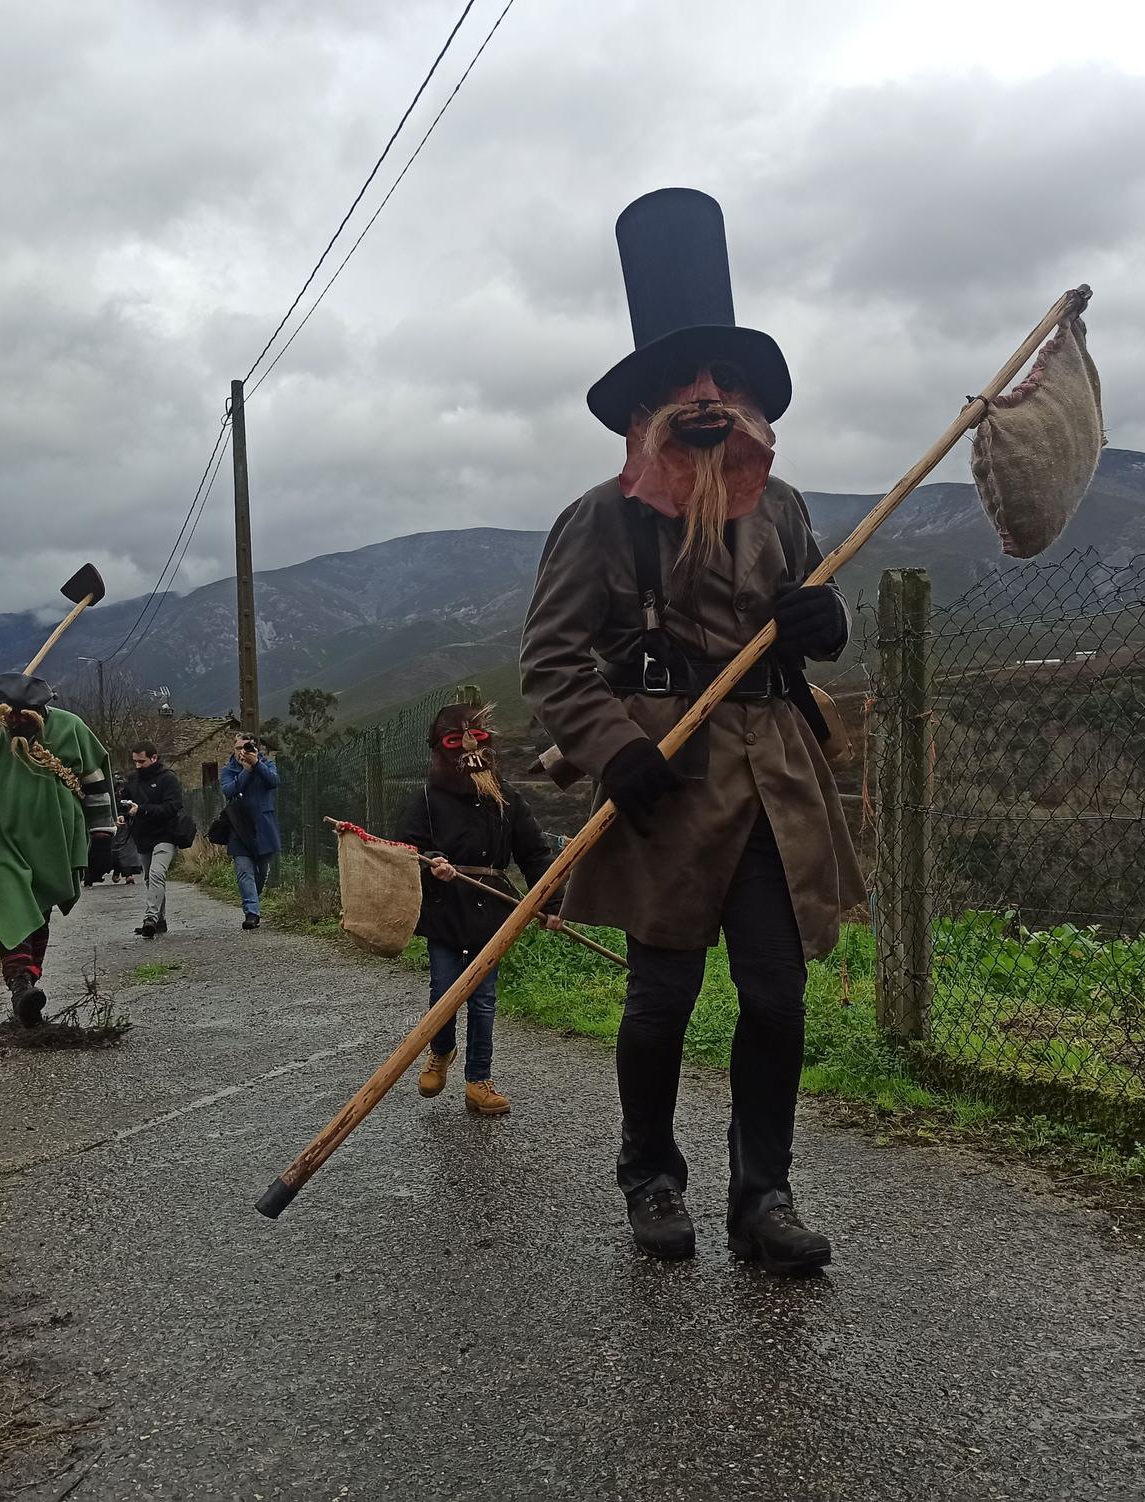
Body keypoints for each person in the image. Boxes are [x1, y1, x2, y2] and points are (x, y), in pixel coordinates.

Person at [520, 188, 864, 1275]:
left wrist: (823, 621)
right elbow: (553, 661)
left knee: (773, 990)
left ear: (752, 398)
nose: (708, 394)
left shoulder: (785, 507)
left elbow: (803, 622)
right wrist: (609, 744)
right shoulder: (602, 517)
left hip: (774, 781)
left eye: (725, 379)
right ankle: (648, 1173)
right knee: (661, 994)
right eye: (685, 381)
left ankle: (761, 1195)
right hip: (662, 781)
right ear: (650, 408)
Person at [396, 702, 562, 1117]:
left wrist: (552, 903)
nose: (470, 746)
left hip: (491, 911)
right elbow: (407, 848)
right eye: (456, 740)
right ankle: (441, 1050)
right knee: (444, 991)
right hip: (445, 909)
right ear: (441, 748)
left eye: (479, 738)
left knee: (483, 998)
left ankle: (478, 1081)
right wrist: (432, 860)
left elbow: (536, 853)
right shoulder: (428, 799)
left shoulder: (505, 797)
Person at [0, 673, 116, 1027]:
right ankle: (20, 984)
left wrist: (103, 837)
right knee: (10, 900)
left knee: (38, 908)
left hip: (53, 842)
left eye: (23, 713)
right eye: (8, 713)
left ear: (41, 708)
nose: (14, 720)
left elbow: (96, 785)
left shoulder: (71, 729)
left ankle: (26, 981)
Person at [119, 741, 183, 938]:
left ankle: (150, 918)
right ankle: (160, 919)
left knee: (156, 874)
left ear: (154, 758)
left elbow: (173, 807)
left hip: (165, 834)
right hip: (143, 836)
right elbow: (126, 803)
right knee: (149, 878)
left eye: (142, 761)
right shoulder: (132, 780)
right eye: (135, 761)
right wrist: (124, 815)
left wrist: (142, 810)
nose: (138, 765)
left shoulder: (168, 779)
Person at [220, 732, 281, 930]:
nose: (241, 752)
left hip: (264, 826)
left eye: (246, 748)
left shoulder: (267, 765)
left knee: (261, 871)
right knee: (244, 871)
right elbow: (229, 791)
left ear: (256, 749)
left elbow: (274, 781)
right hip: (239, 827)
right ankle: (252, 913)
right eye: (238, 748)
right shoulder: (228, 770)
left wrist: (256, 765)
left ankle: (253, 896)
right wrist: (245, 772)